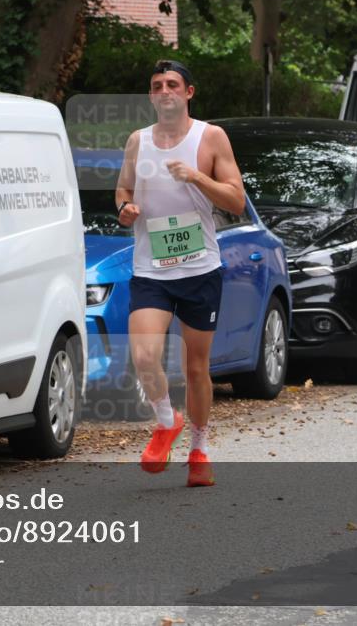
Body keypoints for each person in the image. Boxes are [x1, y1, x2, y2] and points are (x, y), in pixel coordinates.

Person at [116, 60, 245, 487]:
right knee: (145, 355)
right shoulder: (137, 141)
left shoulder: (210, 137)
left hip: (199, 268)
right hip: (151, 267)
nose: (165, 91)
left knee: (195, 368)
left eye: (173, 84)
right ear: (151, 96)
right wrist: (125, 209)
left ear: (189, 92)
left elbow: (236, 201)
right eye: (157, 86)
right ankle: (166, 420)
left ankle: (199, 449)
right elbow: (123, 188)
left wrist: (196, 177)